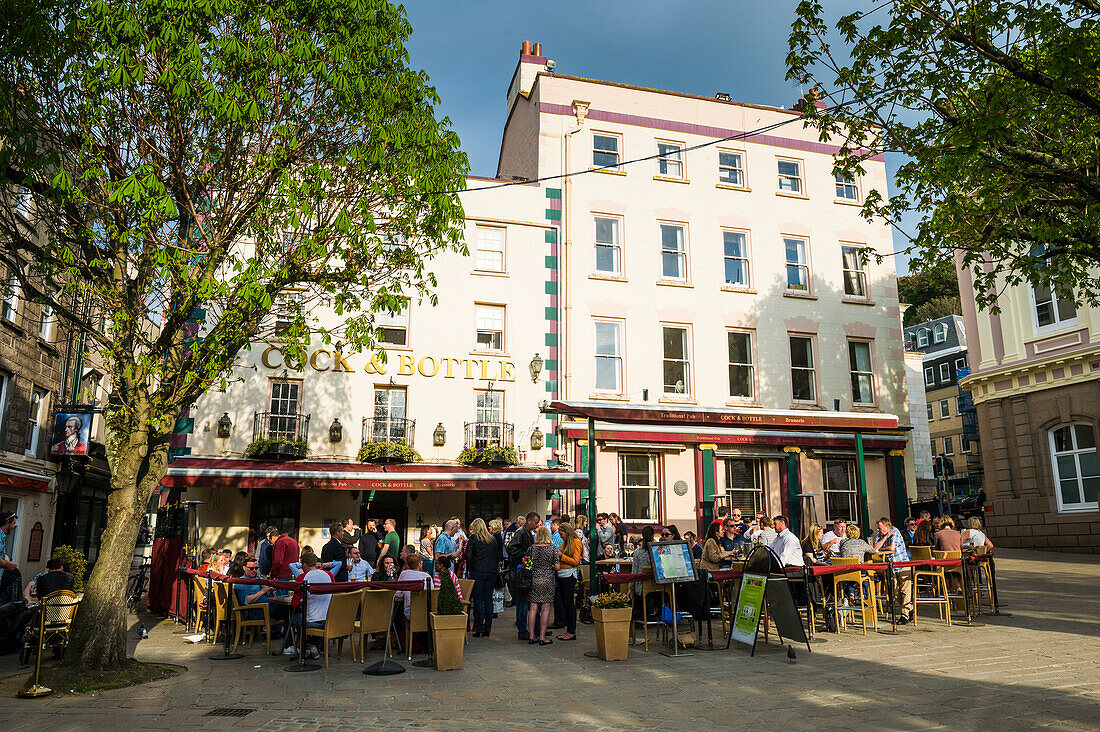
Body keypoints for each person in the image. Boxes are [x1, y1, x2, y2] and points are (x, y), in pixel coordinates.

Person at [284, 549, 332, 659]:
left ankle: (306, 645)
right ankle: (315, 646)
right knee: (311, 615)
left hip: (312, 622)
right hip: (328, 619)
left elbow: (295, 603)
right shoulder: (328, 575)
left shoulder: (303, 577)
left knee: (293, 617)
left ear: (304, 564)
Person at [507, 511, 539, 640]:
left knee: (528, 600)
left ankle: (535, 628)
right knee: (523, 601)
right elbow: (511, 548)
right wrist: (525, 556)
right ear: (529, 521)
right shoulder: (521, 533)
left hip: (524, 569)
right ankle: (522, 630)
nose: (537, 525)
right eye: (536, 522)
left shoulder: (526, 532)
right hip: (520, 571)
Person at [873, 517, 913, 624]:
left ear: (887, 527)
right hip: (891, 566)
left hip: (902, 563)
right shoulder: (881, 535)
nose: (878, 530)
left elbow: (892, 548)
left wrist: (881, 548)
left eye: (880, 528)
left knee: (905, 591)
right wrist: (885, 537)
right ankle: (910, 608)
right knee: (894, 592)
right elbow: (875, 548)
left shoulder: (895, 531)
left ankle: (904, 615)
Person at [465, 518, 499, 638]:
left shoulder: (474, 539)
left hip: (478, 571)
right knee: (488, 600)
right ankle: (487, 628)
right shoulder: (492, 539)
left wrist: (470, 568)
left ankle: (479, 627)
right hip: (491, 572)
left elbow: (468, 555)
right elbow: (497, 556)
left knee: (478, 600)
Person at [526, 526, 559, 645]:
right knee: (546, 608)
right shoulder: (553, 549)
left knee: (533, 608)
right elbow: (557, 567)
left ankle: (531, 636)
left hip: (534, 580)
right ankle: (542, 637)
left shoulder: (531, 548)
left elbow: (526, 564)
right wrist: (549, 567)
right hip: (548, 580)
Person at [555, 522, 582, 641]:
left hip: (569, 576)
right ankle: (569, 630)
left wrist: (561, 556)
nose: (560, 536)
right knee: (565, 604)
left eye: (561, 534)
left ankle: (571, 631)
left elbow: (575, 561)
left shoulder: (576, 542)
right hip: (562, 574)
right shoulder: (566, 542)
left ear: (567, 532)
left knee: (569, 604)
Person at [396, 554, 431, 620]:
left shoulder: (404, 574)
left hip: (410, 611)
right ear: (419, 564)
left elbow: (398, 594)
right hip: (426, 611)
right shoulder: (427, 576)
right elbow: (431, 593)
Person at [629, 526, 656, 596]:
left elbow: (634, 570)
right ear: (653, 535)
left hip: (641, 587)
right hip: (657, 587)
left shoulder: (638, 551)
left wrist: (630, 587)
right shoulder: (658, 550)